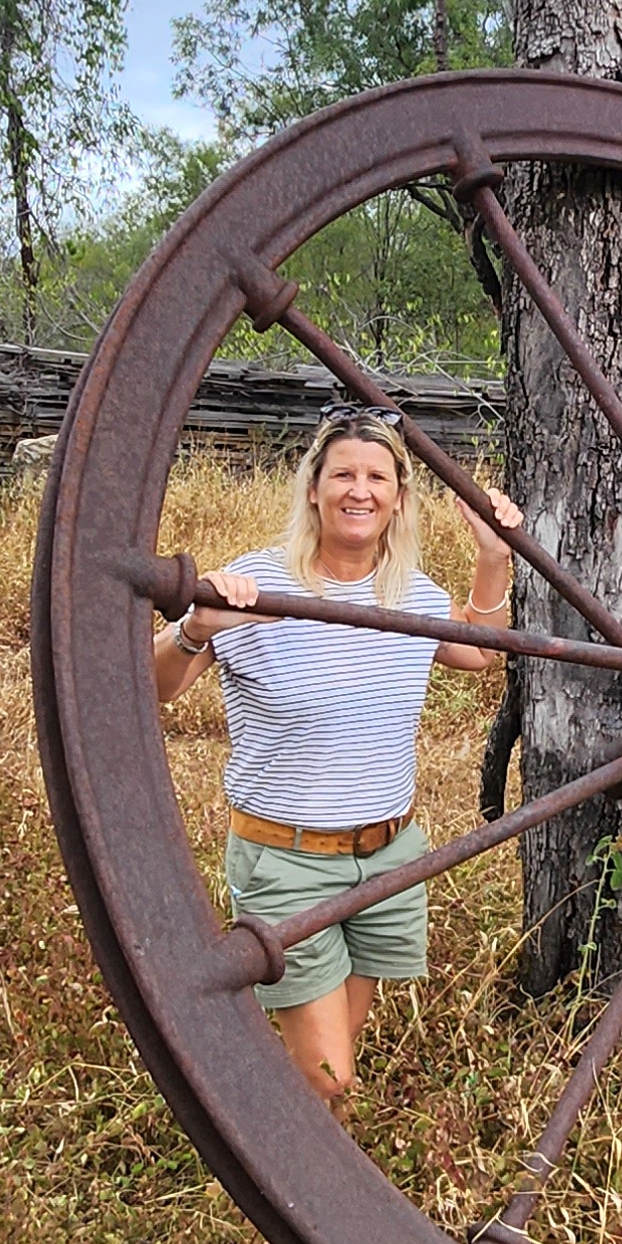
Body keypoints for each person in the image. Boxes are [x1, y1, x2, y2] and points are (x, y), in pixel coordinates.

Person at [154, 404, 523, 1110]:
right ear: (314, 488)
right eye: (344, 474)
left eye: (377, 476)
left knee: (326, 1076)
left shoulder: (409, 594)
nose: (361, 490)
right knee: (331, 1074)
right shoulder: (255, 584)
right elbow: (156, 687)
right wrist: (197, 627)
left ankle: (286, 1163)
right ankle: (295, 1194)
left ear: (399, 496)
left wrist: (492, 556)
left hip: (386, 856)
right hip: (286, 859)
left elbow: (479, 652)